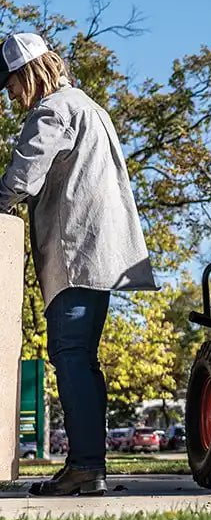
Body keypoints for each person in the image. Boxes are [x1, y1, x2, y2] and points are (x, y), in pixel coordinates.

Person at [0, 32, 155, 496]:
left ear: (28, 74)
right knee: (82, 359)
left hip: (76, 254)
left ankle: (86, 466)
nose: (9, 95)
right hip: (97, 254)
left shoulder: (52, 110)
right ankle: (90, 466)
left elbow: (22, 178)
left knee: (70, 358)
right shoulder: (89, 107)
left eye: (9, 83)